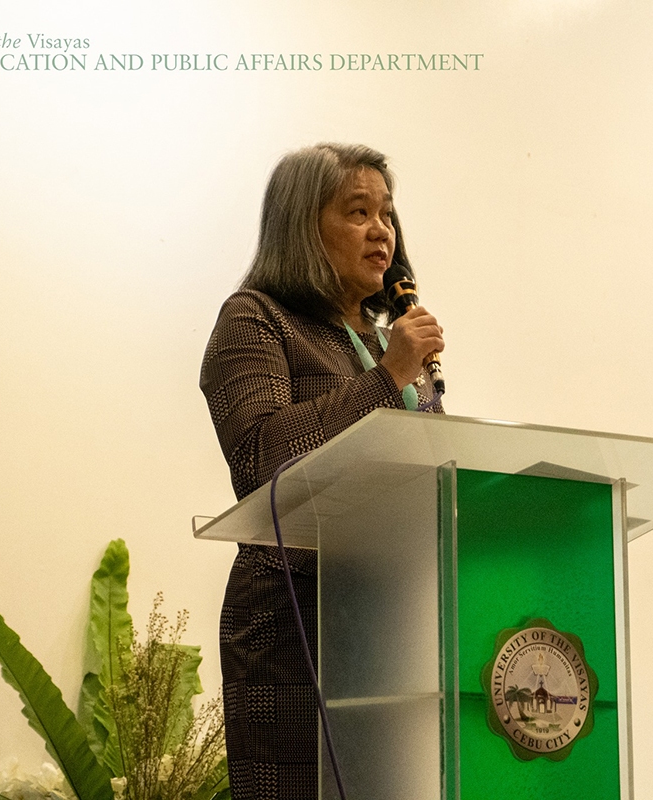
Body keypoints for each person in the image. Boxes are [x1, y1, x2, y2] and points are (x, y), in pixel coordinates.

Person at [199, 143, 444, 800]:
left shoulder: (387, 338)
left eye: (386, 213)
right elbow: (261, 459)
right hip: (293, 621)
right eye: (358, 212)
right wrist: (389, 376)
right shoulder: (255, 319)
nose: (381, 231)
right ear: (302, 226)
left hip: (394, 617)